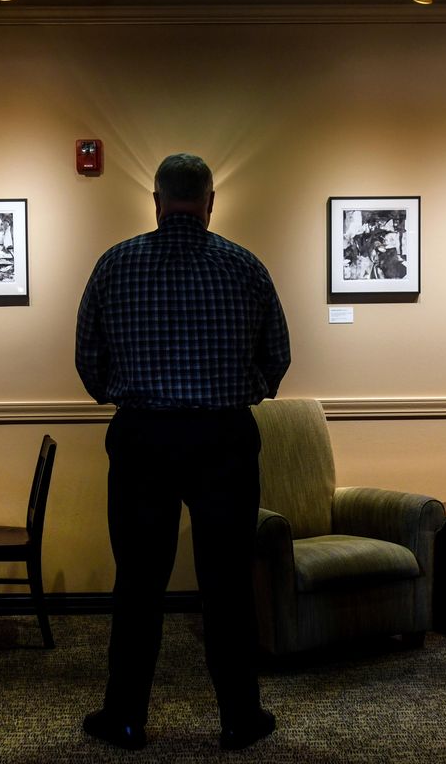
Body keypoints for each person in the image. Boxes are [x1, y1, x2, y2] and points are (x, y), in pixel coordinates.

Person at [75, 153, 291, 751]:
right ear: (210, 201)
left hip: (143, 438)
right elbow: (277, 359)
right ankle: (240, 717)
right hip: (224, 439)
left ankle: (125, 717)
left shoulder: (114, 266)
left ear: (156, 200)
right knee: (226, 584)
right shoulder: (244, 267)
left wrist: (126, 392)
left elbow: (89, 365)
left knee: (138, 583)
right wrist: (242, 389)